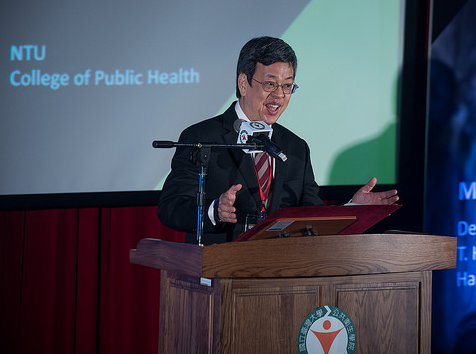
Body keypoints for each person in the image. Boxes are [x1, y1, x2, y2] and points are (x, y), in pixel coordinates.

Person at [157, 36, 399, 245]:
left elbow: (312, 217)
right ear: (243, 83)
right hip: (218, 269)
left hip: (278, 272)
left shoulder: (296, 147)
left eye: (287, 86)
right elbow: (171, 208)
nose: (279, 96)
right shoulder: (202, 137)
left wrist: (352, 209)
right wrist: (214, 210)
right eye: (270, 84)